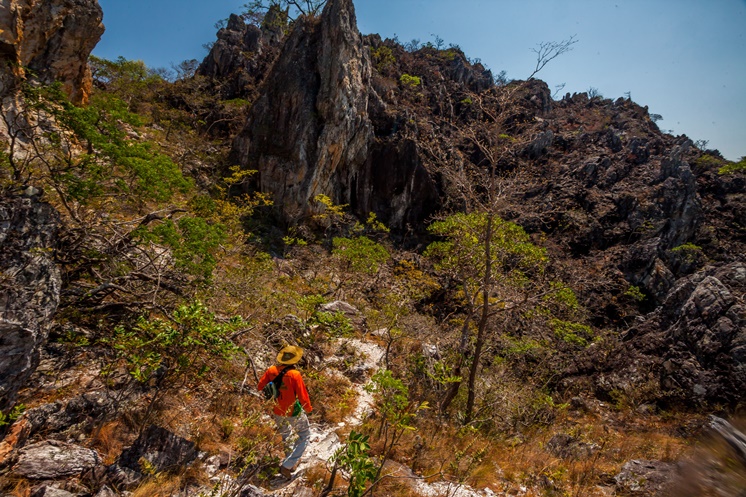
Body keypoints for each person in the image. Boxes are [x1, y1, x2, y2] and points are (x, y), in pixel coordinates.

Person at [257, 345, 313, 478]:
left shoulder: (271, 370)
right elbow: (302, 395)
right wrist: (308, 409)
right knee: (305, 435)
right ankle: (287, 465)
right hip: (293, 410)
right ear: (295, 360)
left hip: (277, 410)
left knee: (286, 435)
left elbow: (260, 386)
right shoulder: (295, 374)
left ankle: (290, 462)